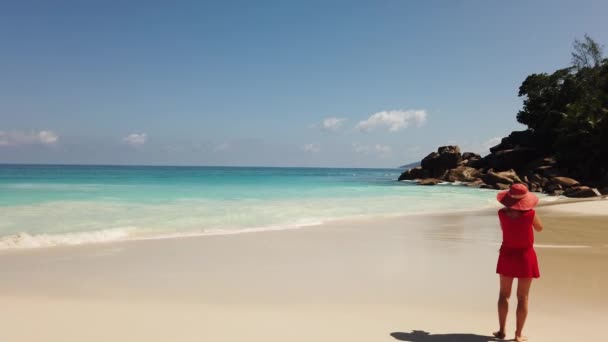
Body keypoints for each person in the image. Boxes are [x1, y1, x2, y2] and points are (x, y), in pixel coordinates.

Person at [492, 183, 543, 342]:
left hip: (507, 254)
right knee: (523, 297)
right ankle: (518, 335)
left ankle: (501, 331)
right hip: (525, 256)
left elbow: (505, 229)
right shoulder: (531, 214)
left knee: (503, 295)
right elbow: (540, 228)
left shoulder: (501, 213)